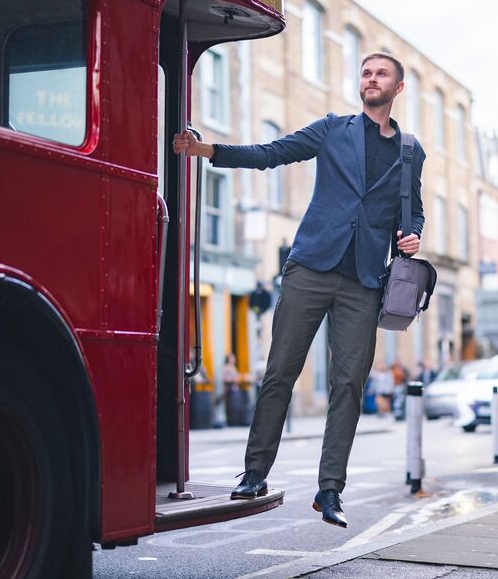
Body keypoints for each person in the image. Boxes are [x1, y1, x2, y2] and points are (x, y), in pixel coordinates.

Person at [173, 51, 425, 528]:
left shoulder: (410, 151)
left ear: (398, 87)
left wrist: (413, 234)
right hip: (311, 266)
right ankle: (254, 473)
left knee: (349, 385)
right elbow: (272, 153)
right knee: (279, 373)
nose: (371, 79)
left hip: (365, 281)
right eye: (366, 72)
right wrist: (212, 153)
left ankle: (330, 489)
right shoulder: (333, 129)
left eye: (381, 74)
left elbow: (412, 213)